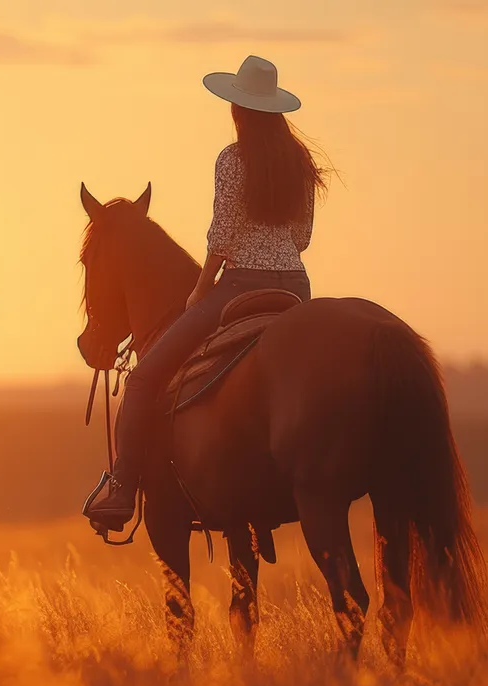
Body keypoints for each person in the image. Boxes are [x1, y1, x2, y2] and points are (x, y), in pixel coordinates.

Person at [84, 55, 330, 532]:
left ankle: (122, 489)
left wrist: (200, 291)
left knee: (143, 380)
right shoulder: (301, 164)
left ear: (238, 109)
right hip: (297, 287)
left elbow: (221, 236)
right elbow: (302, 238)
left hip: (240, 285)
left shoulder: (232, 160)